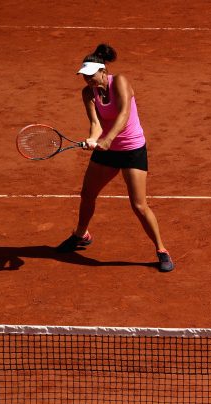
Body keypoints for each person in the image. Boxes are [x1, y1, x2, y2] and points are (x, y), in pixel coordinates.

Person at [56, 44, 174, 272]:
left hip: (131, 150)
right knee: (87, 194)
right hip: (107, 152)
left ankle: (161, 250)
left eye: (91, 75)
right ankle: (81, 234)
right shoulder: (88, 93)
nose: (88, 79)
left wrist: (108, 140)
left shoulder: (119, 81)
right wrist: (93, 138)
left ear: (103, 71)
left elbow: (123, 115)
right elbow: (95, 124)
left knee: (139, 205)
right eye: (84, 76)